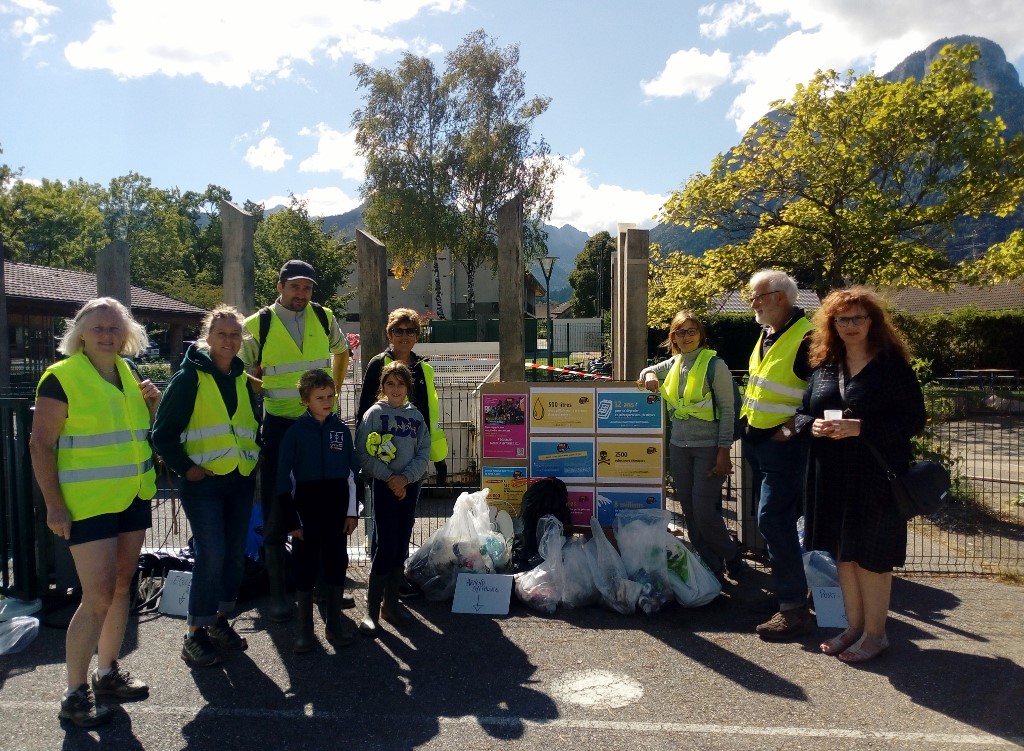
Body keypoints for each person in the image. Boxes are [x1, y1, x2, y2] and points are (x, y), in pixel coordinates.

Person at [29, 297, 161, 727]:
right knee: (98, 595)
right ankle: (73, 692)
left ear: (126, 335)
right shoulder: (60, 378)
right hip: (86, 505)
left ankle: (107, 673)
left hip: (131, 496)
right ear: (80, 332)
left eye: (114, 328)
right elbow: (40, 445)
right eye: (99, 327)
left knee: (122, 586)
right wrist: (54, 504)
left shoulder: (127, 373)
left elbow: (136, 433)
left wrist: (154, 406)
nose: (107, 334)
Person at [796, 287, 925, 663]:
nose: (850, 326)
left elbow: (913, 420)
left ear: (873, 322)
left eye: (857, 318)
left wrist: (861, 428)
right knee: (843, 556)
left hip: (874, 478)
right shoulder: (824, 367)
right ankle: (853, 628)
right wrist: (812, 427)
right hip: (830, 476)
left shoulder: (891, 367)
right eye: (842, 319)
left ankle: (876, 634)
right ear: (831, 324)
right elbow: (803, 412)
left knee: (871, 559)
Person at [240, 259, 351, 622]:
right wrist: (267, 388)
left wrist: (333, 390)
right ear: (280, 286)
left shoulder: (323, 316)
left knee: (322, 504)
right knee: (277, 507)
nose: (301, 294)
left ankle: (323, 587)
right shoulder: (260, 323)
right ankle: (278, 596)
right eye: (295, 287)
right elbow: (238, 368)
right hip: (281, 424)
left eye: (307, 288)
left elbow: (343, 351)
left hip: (319, 423)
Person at [152, 306, 260, 668]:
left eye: (234, 335)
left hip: (240, 480)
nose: (228, 341)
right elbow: (162, 434)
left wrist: (254, 459)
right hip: (205, 485)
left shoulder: (242, 379)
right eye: (221, 333)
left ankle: (219, 621)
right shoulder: (189, 378)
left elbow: (249, 426)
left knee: (233, 557)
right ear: (207, 335)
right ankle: (194, 632)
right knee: (211, 554)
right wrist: (187, 468)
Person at [738, 269, 815, 641]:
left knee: (773, 519)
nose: (751, 302)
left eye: (756, 296)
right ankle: (787, 596)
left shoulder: (808, 338)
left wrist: (794, 427)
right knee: (773, 521)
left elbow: (827, 392)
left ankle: (793, 608)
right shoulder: (768, 333)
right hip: (759, 440)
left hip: (783, 445)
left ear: (780, 298)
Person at [637, 311, 743, 580]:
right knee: (688, 508)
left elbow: (728, 411)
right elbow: (647, 370)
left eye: (691, 331)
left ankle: (730, 554)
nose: (686, 337)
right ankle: (710, 563)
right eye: (680, 332)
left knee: (704, 510)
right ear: (673, 337)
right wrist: (649, 374)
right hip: (679, 446)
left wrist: (723, 451)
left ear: (701, 334)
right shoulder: (675, 362)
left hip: (708, 447)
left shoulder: (714, 365)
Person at [356, 308, 448, 598]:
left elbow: (429, 417)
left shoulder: (424, 368)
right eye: (399, 331)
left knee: (404, 523)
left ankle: (397, 579)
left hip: (412, 464)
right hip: (383, 464)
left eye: (411, 331)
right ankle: (380, 584)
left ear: (418, 335)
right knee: (382, 529)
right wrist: (370, 467)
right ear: (389, 334)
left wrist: (437, 457)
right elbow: (364, 415)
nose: (405, 337)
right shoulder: (377, 364)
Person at [276, 369, 359, 653]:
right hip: (305, 515)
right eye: (319, 397)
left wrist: (352, 513)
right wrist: (292, 520)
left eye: (330, 396)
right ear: (305, 401)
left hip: (337, 514)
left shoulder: (341, 430)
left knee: (337, 562)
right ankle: (304, 631)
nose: (327, 401)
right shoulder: (295, 433)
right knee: (304, 568)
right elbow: (282, 480)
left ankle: (335, 625)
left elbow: (351, 474)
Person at [355, 362, 431, 636]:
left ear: (407, 387)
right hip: (384, 486)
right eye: (390, 384)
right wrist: (389, 478)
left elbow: (424, 453)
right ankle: (371, 611)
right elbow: (363, 453)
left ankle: (391, 605)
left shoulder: (417, 417)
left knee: (400, 544)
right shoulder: (374, 414)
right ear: (383, 387)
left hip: (409, 487)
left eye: (401, 384)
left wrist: (406, 478)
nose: (396, 389)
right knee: (386, 544)